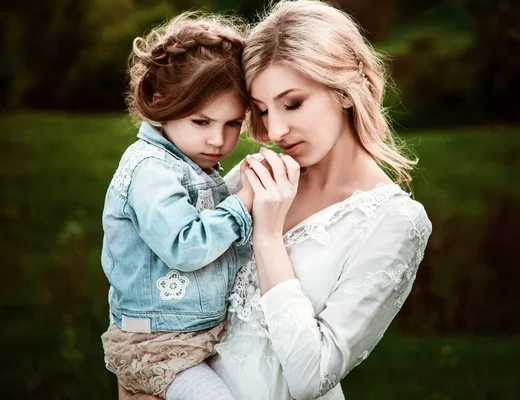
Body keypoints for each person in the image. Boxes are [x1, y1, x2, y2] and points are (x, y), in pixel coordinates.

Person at [120, 1, 432, 399]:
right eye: (262, 110)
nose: (275, 129)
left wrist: (267, 236)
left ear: (346, 90)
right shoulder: (255, 178)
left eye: (293, 103)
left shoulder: (396, 222)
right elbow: (162, 289)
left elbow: (310, 376)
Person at [101, 11, 256, 400]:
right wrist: (243, 203)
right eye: (201, 122)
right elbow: (185, 246)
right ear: (161, 101)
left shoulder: (190, 163)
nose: (217, 141)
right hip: (157, 346)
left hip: (195, 334)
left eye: (232, 124)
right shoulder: (151, 169)